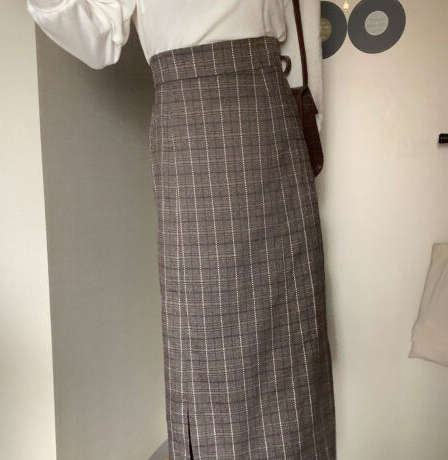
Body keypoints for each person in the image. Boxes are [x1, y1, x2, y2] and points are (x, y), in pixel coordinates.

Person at [27, 1, 336, 458]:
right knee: (204, 331)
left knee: (293, 324)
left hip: (272, 103)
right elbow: (98, 35)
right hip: (189, 111)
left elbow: (303, 20)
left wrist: (310, 118)